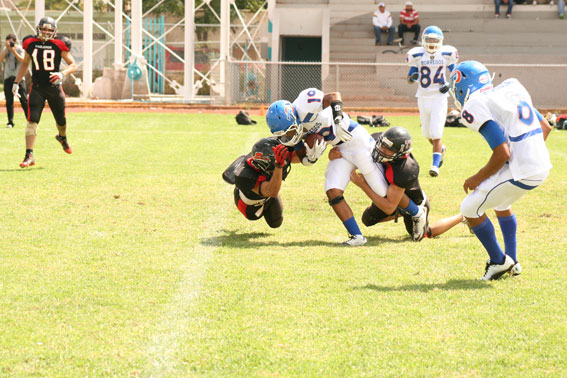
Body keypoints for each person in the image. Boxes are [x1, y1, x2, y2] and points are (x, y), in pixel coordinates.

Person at [266, 90, 428, 246]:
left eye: (289, 131)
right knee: (332, 190)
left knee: (383, 193)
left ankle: (416, 212)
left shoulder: (304, 104)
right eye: (285, 135)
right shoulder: (292, 132)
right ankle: (357, 236)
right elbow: (302, 158)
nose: (289, 136)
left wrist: (337, 120)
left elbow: (333, 96)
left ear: (292, 117)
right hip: (340, 150)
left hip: (355, 139)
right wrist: (311, 157)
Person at [449, 60, 552, 280]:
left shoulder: (474, 104)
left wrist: (477, 177)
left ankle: (498, 261)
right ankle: (512, 261)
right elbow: (546, 127)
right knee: (501, 202)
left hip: (524, 169)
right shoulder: (512, 87)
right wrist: (528, 152)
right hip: (541, 163)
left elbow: (502, 152)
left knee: (469, 208)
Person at [12, 16, 77, 168]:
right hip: (38, 88)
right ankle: (29, 155)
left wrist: (62, 74)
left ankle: (62, 137)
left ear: (55, 31)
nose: (46, 32)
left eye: (50, 30)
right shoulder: (30, 43)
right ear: (38, 29)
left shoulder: (59, 44)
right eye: (44, 29)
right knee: (32, 121)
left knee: (61, 122)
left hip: (54, 88)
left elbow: (73, 65)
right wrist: (16, 82)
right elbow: (25, 64)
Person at [348, 127, 431, 240]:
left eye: (388, 149)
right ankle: (401, 211)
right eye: (382, 144)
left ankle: (459, 217)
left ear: (400, 153)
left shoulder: (406, 169)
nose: (381, 149)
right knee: (367, 219)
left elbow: (389, 208)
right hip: (392, 194)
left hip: (413, 201)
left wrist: (363, 185)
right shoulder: (377, 139)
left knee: (426, 234)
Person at [406, 26, 458, 177]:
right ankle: (441, 150)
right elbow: (409, 79)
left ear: (440, 41)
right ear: (423, 40)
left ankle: (435, 166)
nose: (431, 43)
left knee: (436, 134)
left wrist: (449, 85)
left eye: (434, 40)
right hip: (422, 97)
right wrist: (413, 78)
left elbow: (455, 74)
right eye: (429, 40)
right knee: (427, 133)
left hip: (439, 98)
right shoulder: (416, 55)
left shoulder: (446, 54)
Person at [225, 137, 293, 228]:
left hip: (267, 194)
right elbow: (271, 192)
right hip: (250, 205)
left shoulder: (264, 155)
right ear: (265, 164)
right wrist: (278, 166)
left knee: (276, 223)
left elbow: (294, 156)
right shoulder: (244, 175)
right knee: (255, 215)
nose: (284, 162)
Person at [0, 34, 28, 128]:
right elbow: (0, 59)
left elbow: (23, 60)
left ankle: (30, 121)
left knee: (24, 100)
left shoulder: (20, 49)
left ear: (15, 42)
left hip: (19, 78)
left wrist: (13, 51)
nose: (9, 44)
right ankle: (10, 122)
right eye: (8, 41)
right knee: (9, 101)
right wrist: (7, 49)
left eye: (11, 42)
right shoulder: (5, 49)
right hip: (8, 78)